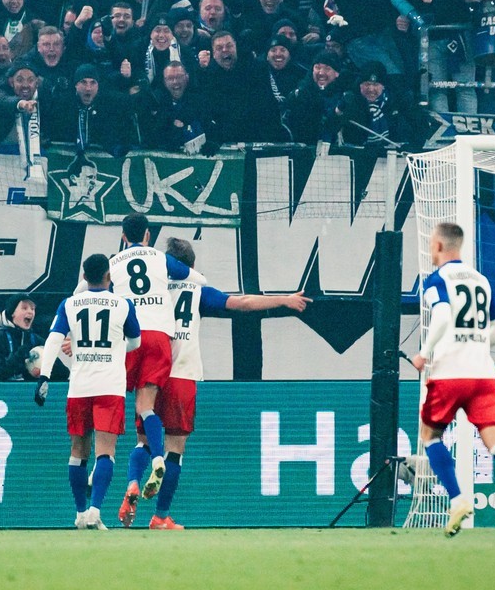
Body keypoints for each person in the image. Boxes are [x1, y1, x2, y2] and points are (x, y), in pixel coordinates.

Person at [131, 238, 311, 529]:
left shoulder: (152, 290)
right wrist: (284, 300)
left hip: (152, 372)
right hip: (183, 374)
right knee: (175, 449)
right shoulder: (197, 290)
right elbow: (242, 303)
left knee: (143, 441)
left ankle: (132, 485)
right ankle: (160, 516)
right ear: (191, 266)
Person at [409, 222, 495, 538]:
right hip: (483, 374)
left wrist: (424, 353)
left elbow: (441, 315)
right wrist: (477, 343)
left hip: (450, 373)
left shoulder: (436, 280)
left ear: (437, 246)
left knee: (430, 435)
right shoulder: (481, 280)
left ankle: (458, 499)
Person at [33, 253, 141, 529]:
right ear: (109, 276)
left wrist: (44, 375)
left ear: (83, 277)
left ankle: (80, 513)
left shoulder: (69, 304)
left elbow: (54, 339)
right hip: (109, 386)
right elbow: (135, 342)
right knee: (105, 452)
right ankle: (95, 510)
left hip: (79, 386)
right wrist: (115, 349)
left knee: (77, 451)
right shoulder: (123, 304)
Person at [110, 212, 190, 515]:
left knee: (140, 419)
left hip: (130, 339)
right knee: (150, 411)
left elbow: (86, 292)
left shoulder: (113, 264)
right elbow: (189, 275)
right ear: (147, 235)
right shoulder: (160, 260)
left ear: (123, 235)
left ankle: (132, 480)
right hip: (166, 348)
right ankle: (159, 463)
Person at [0, 293, 61, 381]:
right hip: (3, 393)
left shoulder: (37, 341)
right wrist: (19, 356)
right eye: (24, 308)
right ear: (12, 313)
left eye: (33, 308)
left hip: (30, 393)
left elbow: (63, 373)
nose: (30, 311)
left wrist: (46, 367)